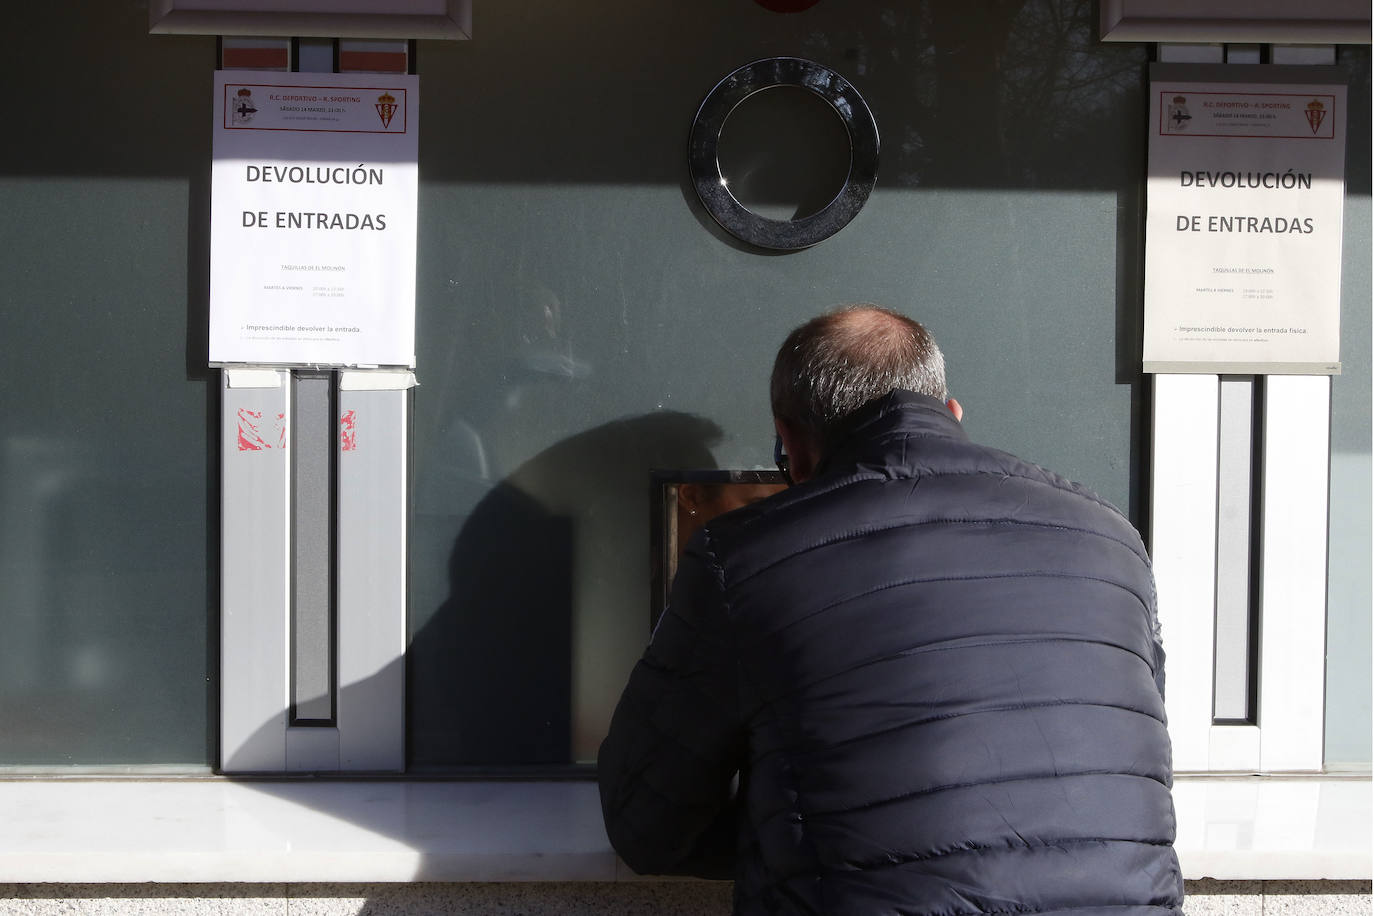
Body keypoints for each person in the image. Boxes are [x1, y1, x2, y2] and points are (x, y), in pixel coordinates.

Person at [598, 305, 1182, 915]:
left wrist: (795, 819)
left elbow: (646, 826)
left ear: (790, 444)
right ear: (952, 413)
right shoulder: (1113, 538)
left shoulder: (740, 557)